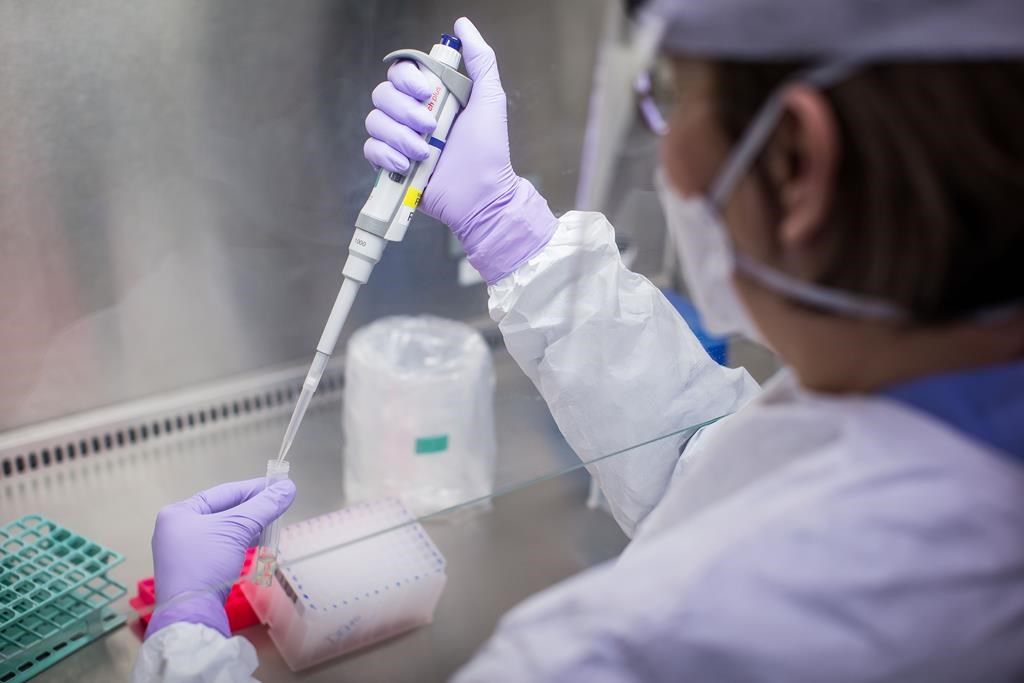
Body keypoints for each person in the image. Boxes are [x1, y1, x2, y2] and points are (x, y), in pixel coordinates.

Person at [134, 2, 1024, 680]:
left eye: (669, 97)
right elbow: (699, 465)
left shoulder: (633, 648)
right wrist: (502, 223)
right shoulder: (946, 437)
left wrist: (185, 630)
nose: (664, 146)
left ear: (796, 161)